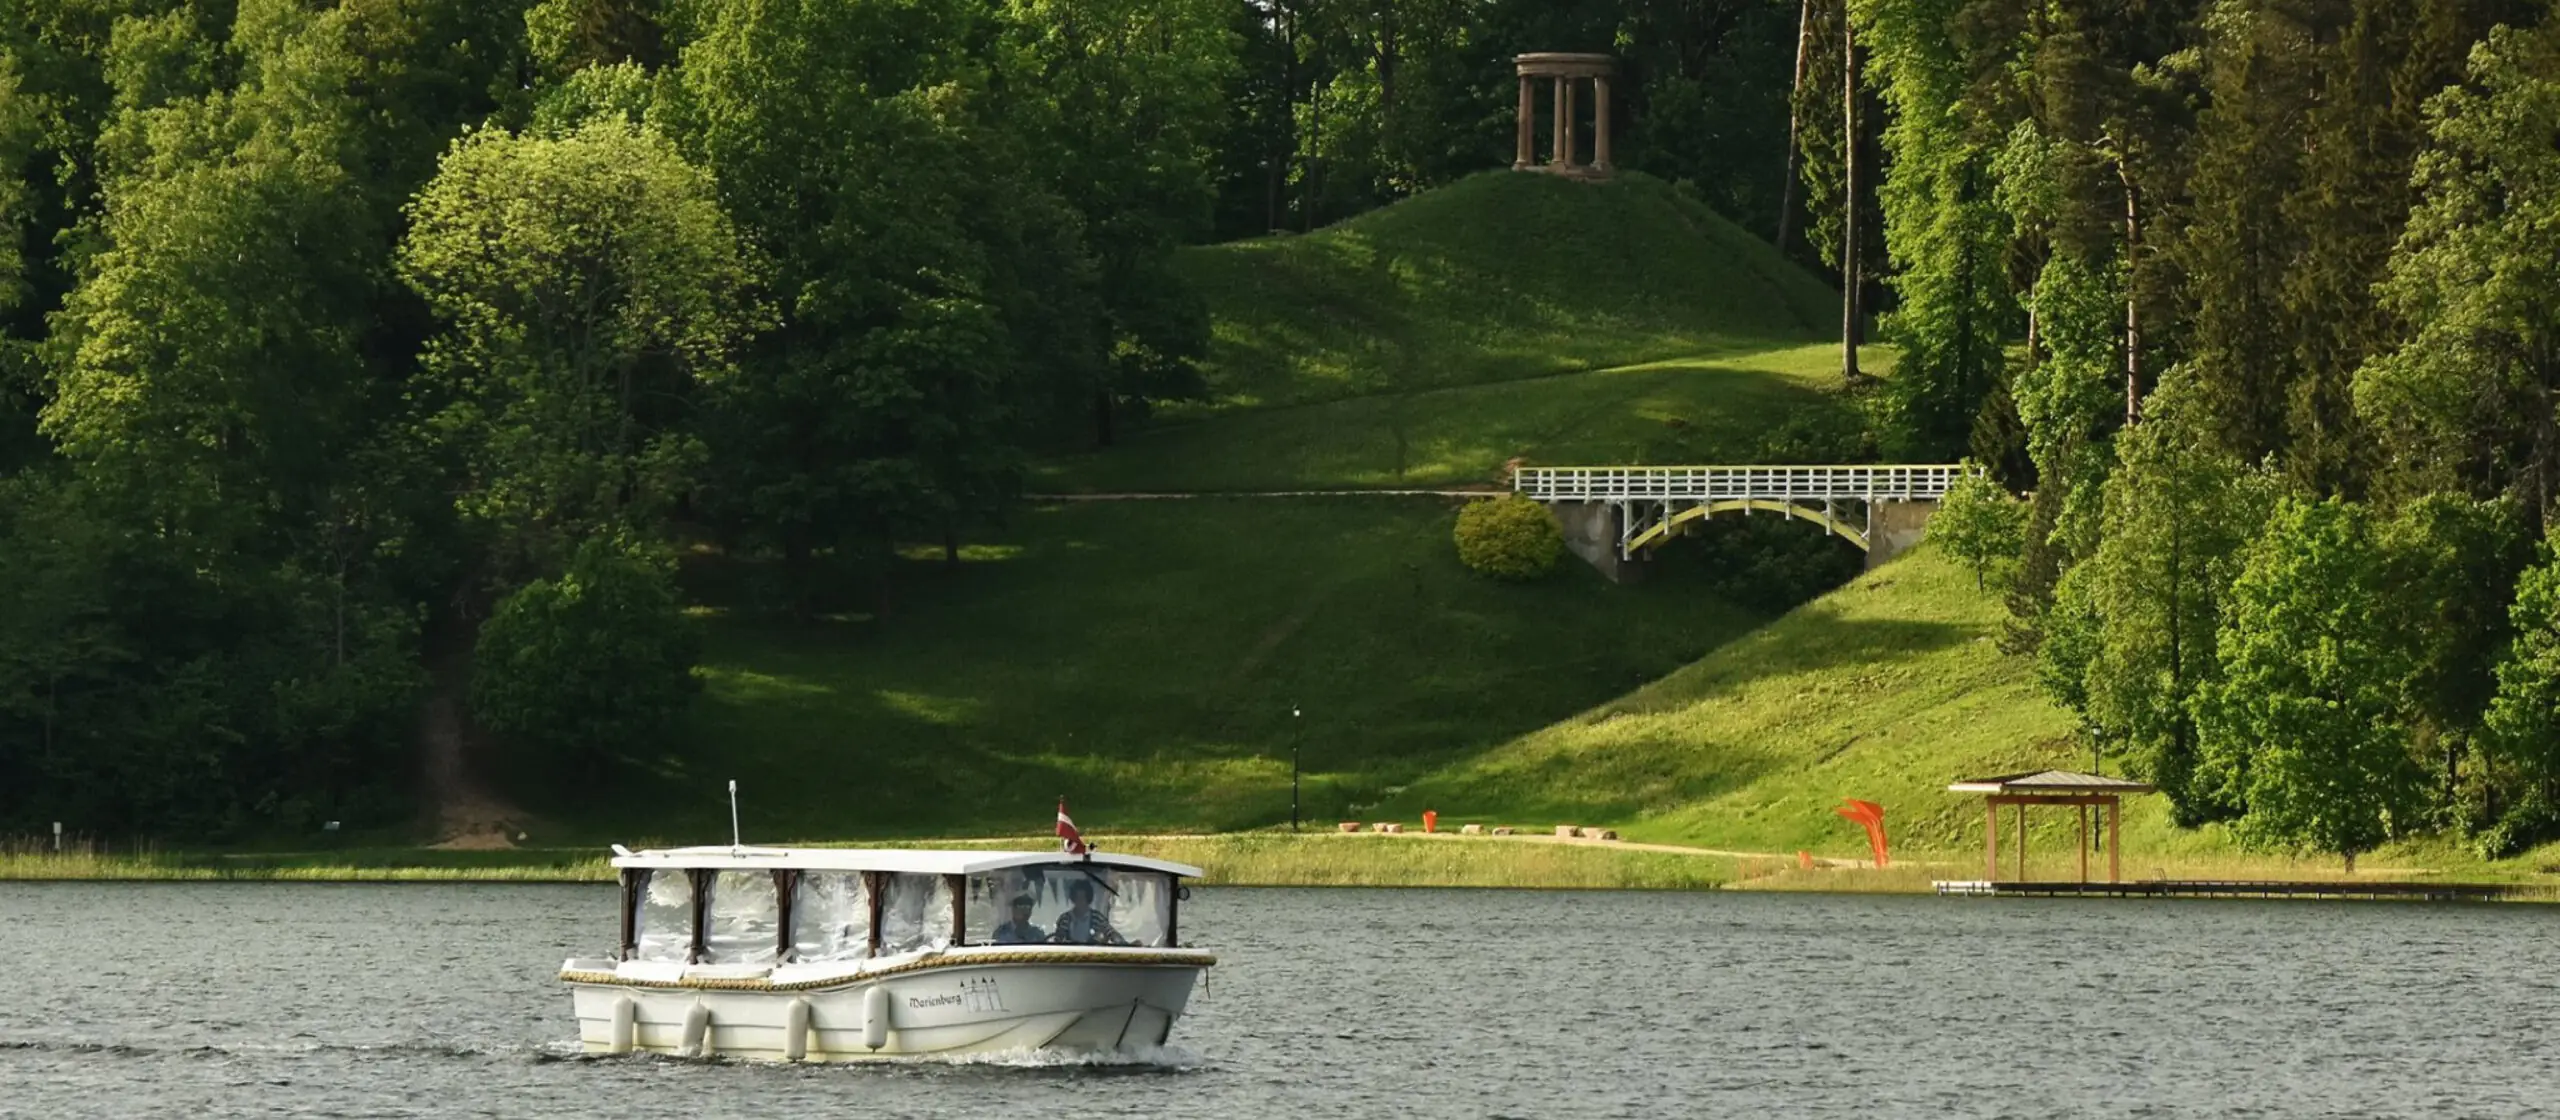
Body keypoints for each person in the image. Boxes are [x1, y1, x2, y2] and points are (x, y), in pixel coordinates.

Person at [1047, 879, 1125, 945]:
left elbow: (1111, 933)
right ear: (1073, 898)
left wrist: (1124, 944)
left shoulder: (1097, 918)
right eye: (1077, 897)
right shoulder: (1064, 919)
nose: (1079, 901)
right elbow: (1057, 941)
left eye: (1082, 898)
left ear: (1088, 898)